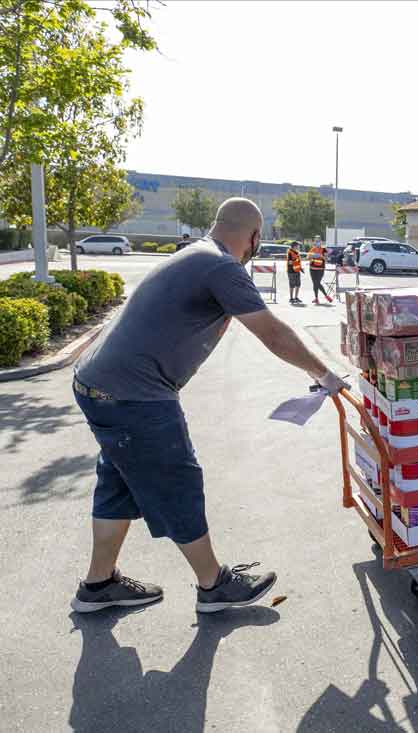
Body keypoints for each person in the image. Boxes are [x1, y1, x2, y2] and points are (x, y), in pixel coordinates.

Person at [70, 198, 348, 615]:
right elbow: (273, 333)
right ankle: (214, 584)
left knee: (119, 483)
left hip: (97, 383)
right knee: (177, 482)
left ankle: (98, 584)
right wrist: (324, 375)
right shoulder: (221, 266)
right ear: (254, 237)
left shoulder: (195, 254)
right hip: (134, 394)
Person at [308, 238, 333, 304]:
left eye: (319, 242)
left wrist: (321, 256)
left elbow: (326, 259)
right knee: (315, 284)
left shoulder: (324, 249)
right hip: (312, 269)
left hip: (320, 269)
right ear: (314, 243)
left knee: (317, 283)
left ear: (321, 243)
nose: (317, 243)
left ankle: (326, 296)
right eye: (316, 242)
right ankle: (316, 298)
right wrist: (312, 256)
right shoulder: (312, 249)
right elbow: (308, 257)